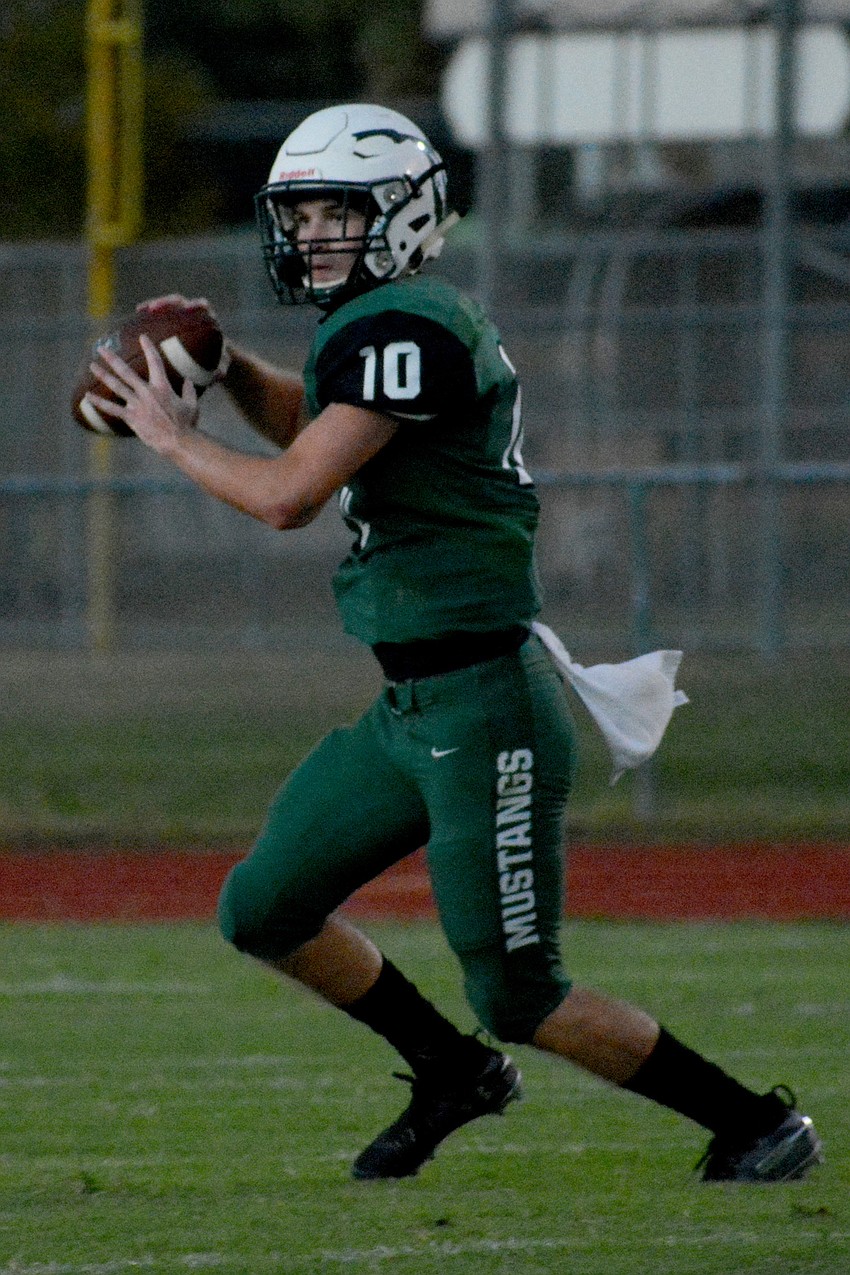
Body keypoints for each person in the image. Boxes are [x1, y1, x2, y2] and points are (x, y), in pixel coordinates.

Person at [88, 103, 822, 1184]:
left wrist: (172, 435)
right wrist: (234, 365)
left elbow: (291, 496)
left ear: (405, 213)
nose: (309, 236)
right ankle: (448, 1071)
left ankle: (755, 1123)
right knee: (263, 908)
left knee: (519, 992)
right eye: (300, 215)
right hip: (411, 710)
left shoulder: (409, 328)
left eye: (335, 212)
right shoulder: (380, 326)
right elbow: (316, 430)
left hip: (483, 705)